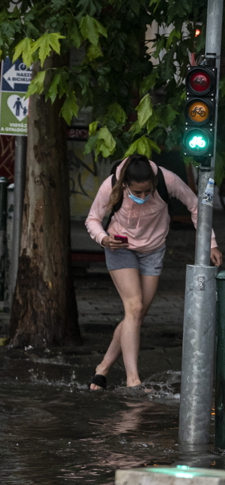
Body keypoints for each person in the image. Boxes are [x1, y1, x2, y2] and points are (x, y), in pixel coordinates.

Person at [85, 155, 221, 390]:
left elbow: (197, 206)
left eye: (148, 191)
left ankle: (103, 369)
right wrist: (104, 239)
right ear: (126, 184)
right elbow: (93, 219)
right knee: (134, 307)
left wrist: (210, 243)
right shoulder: (112, 184)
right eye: (138, 193)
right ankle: (133, 380)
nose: (144, 197)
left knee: (135, 315)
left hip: (153, 251)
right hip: (122, 248)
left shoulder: (167, 180)